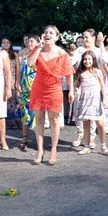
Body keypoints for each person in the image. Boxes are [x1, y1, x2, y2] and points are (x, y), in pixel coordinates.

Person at [28, 25, 75, 165]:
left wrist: (71, 90)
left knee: (54, 120)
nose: (48, 34)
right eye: (46, 32)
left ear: (56, 37)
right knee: (39, 119)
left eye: (51, 33)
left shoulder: (61, 53)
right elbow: (30, 63)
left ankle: (54, 150)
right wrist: (38, 47)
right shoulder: (37, 50)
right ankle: (40, 150)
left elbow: (69, 73)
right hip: (38, 88)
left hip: (54, 88)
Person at [71, 29, 108, 147]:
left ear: (93, 38)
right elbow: (73, 62)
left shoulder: (97, 50)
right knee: (79, 111)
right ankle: (80, 134)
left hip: (95, 86)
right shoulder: (80, 50)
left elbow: (105, 60)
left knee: (93, 113)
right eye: (83, 37)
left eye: (87, 37)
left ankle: (91, 138)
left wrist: (101, 43)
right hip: (80, 83)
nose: (84, 39)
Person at [74, 51, 108, 156]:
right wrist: (76, 91)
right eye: (85, 59)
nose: (87, 61)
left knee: (100, 124)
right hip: (84, 101)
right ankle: (86, 147)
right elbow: (76, 85)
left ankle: (103, 146)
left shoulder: (98, 71)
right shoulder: (81, 73)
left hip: (95, 101)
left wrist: (105, 99)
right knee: (86, 124)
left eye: (89, 59)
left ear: (93, 60)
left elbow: (103, 86)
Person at [16, 34, 39, 151]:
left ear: (37, 43)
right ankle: (24, 138)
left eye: (32, 42)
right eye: (28, 42)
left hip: (37, 90)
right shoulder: (23, 57)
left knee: (37, 115)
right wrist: (17, 83)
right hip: (25, 90)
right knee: (25, 114)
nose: (30, 43)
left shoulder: (40, 56)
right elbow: (19, 72)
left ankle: (38, 140)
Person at [2, 37, 22, 129]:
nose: (6, 44)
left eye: (7, 42)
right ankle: (6, 123)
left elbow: (18, 70)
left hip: (12, 81)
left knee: (13, 103)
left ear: (10, 44)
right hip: (1, 81)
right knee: (4, 103)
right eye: (4, 42)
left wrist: (17, 82)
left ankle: (15, 123)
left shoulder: (14, 55)